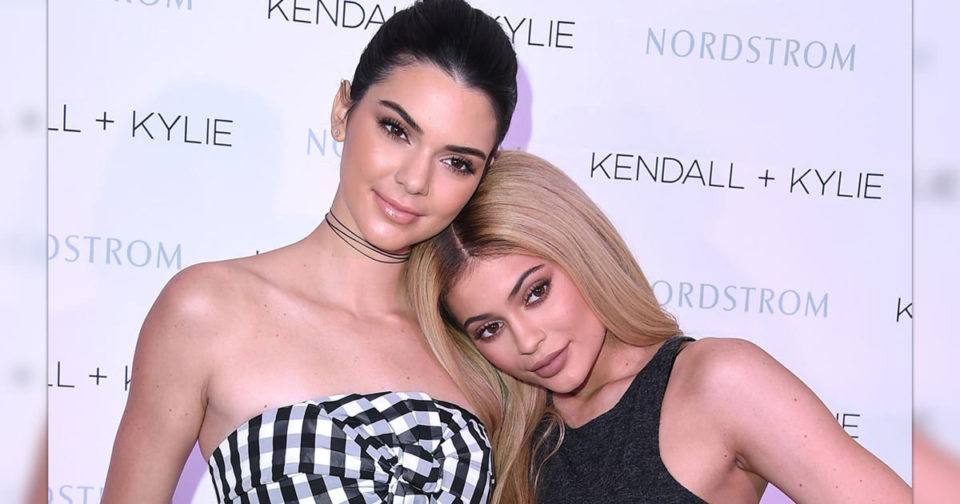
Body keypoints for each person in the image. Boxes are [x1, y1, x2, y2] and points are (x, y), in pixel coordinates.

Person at [101, 1, 517, 502]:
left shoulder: (478, 346)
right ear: (343, 110)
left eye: (456, 162)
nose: (414, 180)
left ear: (484, 173)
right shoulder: (206, 310)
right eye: (396, 130)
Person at [408, 151, 912, 504]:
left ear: (583, 254)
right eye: (490, 329)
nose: (528, 340)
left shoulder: (718, 382)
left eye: (536, 292)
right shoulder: (503, 442)